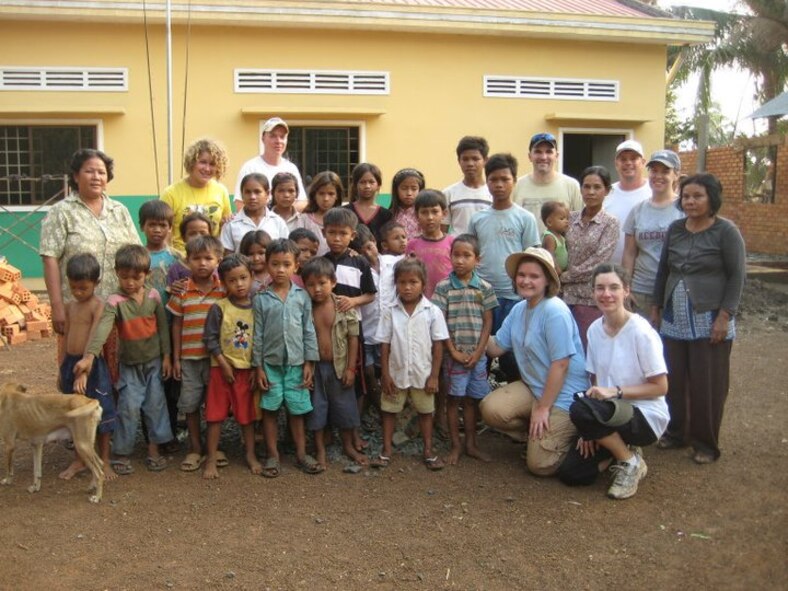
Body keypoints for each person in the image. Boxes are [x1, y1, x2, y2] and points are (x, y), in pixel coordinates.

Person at [652, 173, 746, 464]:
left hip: (709, 318)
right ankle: (677, 432)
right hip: (673, 317)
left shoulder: (726, 231)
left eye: (698, 196)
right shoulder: (676, 228)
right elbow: (663, 271)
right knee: (674, 378)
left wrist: (724, 315)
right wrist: (656, 308)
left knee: (708, 384)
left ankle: (706, 443)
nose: (690, 201)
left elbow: (737, 276)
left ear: (711, 199)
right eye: (686, 196)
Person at [558, 263, 668, 500]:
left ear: (626, 291)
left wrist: (615, 392)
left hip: (644, 416)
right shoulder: (595, 330)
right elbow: (595, 380)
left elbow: (660, 387)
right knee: (572, 474)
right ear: (593, 292)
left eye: (613, 288)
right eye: (600, 288)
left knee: (580, 408)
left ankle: (630, 462)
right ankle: (620, 449)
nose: (606, 294)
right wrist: (588, 430)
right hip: (607, 413)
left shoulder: (642, 332)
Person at [480, 247, 588, 476]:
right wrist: (472, 324)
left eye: (534, 276)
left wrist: (543, 407)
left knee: (539, 465)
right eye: (522, 275)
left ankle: (573, 437)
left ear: (547, 281)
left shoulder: (554, 311)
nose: (526, 281)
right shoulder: (520, 309)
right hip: (534, 387)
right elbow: (496, 347)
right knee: (491, 410)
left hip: (564, 394)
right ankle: (538, 438)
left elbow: (561, 364)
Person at [74, 244, 171, 476]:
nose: (130, 282)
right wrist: (89, 356)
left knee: (156, 405)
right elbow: (102, 329)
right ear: (116, 272)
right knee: (127, 407)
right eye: (124, 276)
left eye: (136, 277)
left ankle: (153, 450)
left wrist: (167, 356)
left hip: (154, 363)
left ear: (146, 274)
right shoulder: (115, 301)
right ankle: (122, 453)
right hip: (129, 365)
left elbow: (164, 329)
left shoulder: (154, 296)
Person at [40, 148, 141, 336]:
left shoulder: (119, 210)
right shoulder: (61, 212)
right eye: (89, 171)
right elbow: (50, 259)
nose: (96, 177)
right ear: (76, 176)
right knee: (78, 361)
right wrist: (57, 306)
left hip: (118, 307)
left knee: (116, 363)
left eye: (101, 172)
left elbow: (135, 255)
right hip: (78, 308)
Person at [252, 239, 321, 477]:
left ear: (296, 266)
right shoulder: (261, 298)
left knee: (297, 410)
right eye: (275, 264)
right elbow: (257, 335)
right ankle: (273, 456)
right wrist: (258, 367)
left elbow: (308, 330)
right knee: (269, 411)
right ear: (267, 265)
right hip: (270, 366)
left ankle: (301, 454)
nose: (280, 269)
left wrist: (309, 362)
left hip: (296, 364)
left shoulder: (302, 297)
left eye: (286, 264)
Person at [468, 153, 539, 381]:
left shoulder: (524, 218)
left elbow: (533, 258)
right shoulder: (478, 219)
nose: (499, 185)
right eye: (493, 179)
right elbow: (470, 256)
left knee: (513, 355)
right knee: (481, 354)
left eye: (504, 179)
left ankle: (516, 400)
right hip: (483, 298)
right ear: (487, 181)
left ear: (514, 180)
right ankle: (478, 403)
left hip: (514, 299)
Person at [374, 258, 450, 471]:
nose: (407, 287)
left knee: (426, 412)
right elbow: (385, 345)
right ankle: (387, 449)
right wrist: (385, 375)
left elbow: (438, 346)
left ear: (423, 284)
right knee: (389, 410)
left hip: (423, 374)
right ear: (395, 284)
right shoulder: (390, 311)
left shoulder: (432, 311)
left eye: (413, 282)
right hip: (396, 373)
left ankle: (428, 450)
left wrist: (434, 376)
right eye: (402, 282)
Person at [432, 235, 497, 465]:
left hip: (477, 356)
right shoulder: (443, 287)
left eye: (466, 256)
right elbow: (439, 323)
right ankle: (456, 446)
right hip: (454, 356)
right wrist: (454, 352)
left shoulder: (485, 288)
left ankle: (471, 444)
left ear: (477, 259)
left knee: (471, 401)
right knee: (454, 400)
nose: (460, 260)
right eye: (456, 255)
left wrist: (480, 352)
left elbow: (488, 322)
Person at [167, 235, 226, 472]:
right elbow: (176, 324)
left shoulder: (223, 291)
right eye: (196, 258)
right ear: (187, 261)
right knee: (190, 405)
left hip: (215, 360)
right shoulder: (181, 291)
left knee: (214, 404)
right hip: (189, 359)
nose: (202, 263)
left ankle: (215, 447)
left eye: (208, 258)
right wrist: (176, 357)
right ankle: (195, 447)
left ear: (218, 260)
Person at [302, 257, 367, 470]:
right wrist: (307, 367)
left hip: (339, 367)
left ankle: (348, 445)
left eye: (322, 283)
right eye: (311, 284)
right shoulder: (305, 308)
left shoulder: (342, 306)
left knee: (345, 407)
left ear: (333, 282)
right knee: (317, 409)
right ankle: (320, 449)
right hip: (316, 368)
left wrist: (350, 368)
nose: (317, 289)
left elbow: (353, 337)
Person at [57, 253, 116, 480]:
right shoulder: (70, 306)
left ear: (96, 283)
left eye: (83, 287)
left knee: (101, 411)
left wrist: (84, 371)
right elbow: (66, 336)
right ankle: (80, 460)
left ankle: (105, 460)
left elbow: (94, 338)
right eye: (73, 287)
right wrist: (62, 367)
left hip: (91, 364)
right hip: (71, 363)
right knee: (74, 414)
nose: (78, 292)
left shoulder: (98, 306)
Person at [202, 254, 261, 479]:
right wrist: (223, 363)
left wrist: (256, 367)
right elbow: (210, 339)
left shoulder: (258, 306)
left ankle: (250, 454)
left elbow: (261, 338)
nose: (239, 284)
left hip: (247, 369)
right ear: (223, 282)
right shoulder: (219, 308)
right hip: (221, 369)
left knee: (247, 416)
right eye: (232, 280)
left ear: (252, 277)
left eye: (244, 278)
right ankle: (211, 458)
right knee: (214, 415)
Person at [560, 165, 620, 351]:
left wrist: (564, 276)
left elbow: (598, 262)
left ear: (607, 191)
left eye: (597, 187)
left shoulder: (610, 223)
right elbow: (557, 246)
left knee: (586, 350)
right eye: (586, 187)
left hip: (589, 299)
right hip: (562, 297)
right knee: (562, 350)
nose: (591, 192)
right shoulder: (569, 219)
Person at [622, 150, 683, 318]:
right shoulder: (638, 210)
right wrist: (626, 288)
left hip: (672, 290)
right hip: (641, 290)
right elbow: (629, 253)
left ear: (676, 175)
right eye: (654, 171)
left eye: (665, 171)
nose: (658, 176)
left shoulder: (684, 209)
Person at [161, 138, 232, 255]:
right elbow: (165, 232)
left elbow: (224, 229)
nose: (207, 168)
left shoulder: (221, 191)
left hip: (211, 260)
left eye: (212, 164)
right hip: (180, 260)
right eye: (203, 162)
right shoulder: (171, 193)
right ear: (192, 162)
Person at [512, 132, 583, 233]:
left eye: (549, 152)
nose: (543, 157)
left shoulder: (571, 186)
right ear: (529, 156)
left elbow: (579, 225)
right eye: (538, 152)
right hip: (525, 249)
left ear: (557, 156)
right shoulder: (517, 186)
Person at [233, 117, 307, 211]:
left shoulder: (291, 168)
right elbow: (239, 203)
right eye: (273, 136)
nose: (278, 141)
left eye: (282, 137)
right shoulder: (250, 167)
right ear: (263, 138)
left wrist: (280, 216)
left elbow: (302, 202)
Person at [603, 140, 651, 264]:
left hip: (644, 274)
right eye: (623, 159)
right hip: (610, 273)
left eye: (634, 158)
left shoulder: (653, 192)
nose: (628, 163)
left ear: (643, 162)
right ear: (616, 164)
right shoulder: (607, 193)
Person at [220, 173, 288, 253]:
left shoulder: (278, 222)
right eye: (248, 192)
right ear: (242, 195)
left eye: (257, 192)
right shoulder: (231, 224)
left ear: (267, 194)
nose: (252, 197)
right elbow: (228, 258)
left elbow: (285, 252)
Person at [405, 189, 454, 299]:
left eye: (435, 212)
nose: (430, 217)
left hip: (448, 301)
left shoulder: (452, 243)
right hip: (421, 302)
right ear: (417, 215)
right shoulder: (412, 245)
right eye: (424, 212)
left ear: (444, 214)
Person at [442, 136, 492, 236]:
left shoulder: (493, 193)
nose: (470, 164)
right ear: (459, 161)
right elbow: (443, 231)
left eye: (475, 159)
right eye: (465, 159)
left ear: (485, 160)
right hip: (458, 250)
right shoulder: (448, 194)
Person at [344, 162, 392, 246]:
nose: (367, 186)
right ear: (355, 185)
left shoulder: (386, 215)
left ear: (378, 185)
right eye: (362, 182)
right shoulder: (345, 212)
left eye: (371, 182)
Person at [300, 171, 345, 256]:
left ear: (337, 196)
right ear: (314, 195)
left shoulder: (343, 219)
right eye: (321, 193)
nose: (326, 199)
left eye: (331, 194)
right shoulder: (304, 220)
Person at [389, 168, 425, 239]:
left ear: (420, 190)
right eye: (404, 188)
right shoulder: (389, 215)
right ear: (396, 190)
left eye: (414, 189)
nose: (409, 193)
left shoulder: (424, 214)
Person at [540, 201, 570, 272]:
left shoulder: (561, 236)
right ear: (549, 222)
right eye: (562, 219)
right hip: (552, 272)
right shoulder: (550, 237)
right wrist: (557, 269)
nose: (566, 221)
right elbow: (550, 255)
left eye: (567, 219)